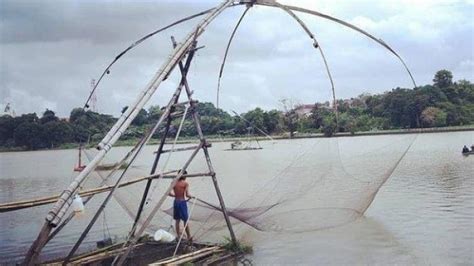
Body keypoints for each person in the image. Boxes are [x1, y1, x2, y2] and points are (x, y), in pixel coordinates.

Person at [168, 170, 193, 242]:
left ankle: (178, 236)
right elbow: (187, 195)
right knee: (185, 220)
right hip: (182, 202)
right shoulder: (185, 184)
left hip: (176, 202)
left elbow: (169, 193)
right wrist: (191, 197)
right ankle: (189, 236)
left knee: (177, 220)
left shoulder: (173, 182)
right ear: (184, 176)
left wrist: (175, 195)